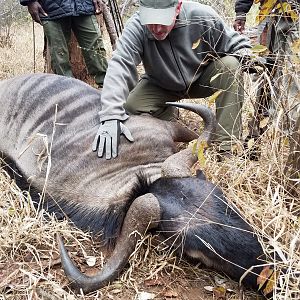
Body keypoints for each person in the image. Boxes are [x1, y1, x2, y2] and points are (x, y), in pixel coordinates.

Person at [93, 0, 254, 160]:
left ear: (177, 8)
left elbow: (237, 45)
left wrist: (251, 59)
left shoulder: (200, 15)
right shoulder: (136, 26)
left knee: (231, 66)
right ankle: (169, 122)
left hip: (201, 78)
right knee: (131, 107)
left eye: (162, 21)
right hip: (161, 85)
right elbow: (120, 64)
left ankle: (225, 149)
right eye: (150, 21)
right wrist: (111, 115)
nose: (156, 29)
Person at [234, 0, 299, 138]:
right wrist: (241, 11)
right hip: (271, 14)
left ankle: (290, 139)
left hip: (296, 16)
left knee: (294, 78)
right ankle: (257, 135)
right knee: (266, 74)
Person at [20, 0, 108, 88]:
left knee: (96, 49)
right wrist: (30, 1)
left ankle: (108, 89)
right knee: (59, 55)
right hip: (50, 8)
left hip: (82, 4)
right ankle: (68, 92)